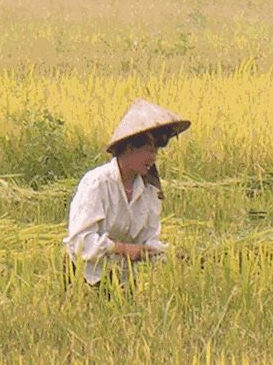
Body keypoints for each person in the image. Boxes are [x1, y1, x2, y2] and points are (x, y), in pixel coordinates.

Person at [64, 99, 190, 288]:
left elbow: (148, 239)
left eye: (155, 152)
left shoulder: (149, 189)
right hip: (86, 276)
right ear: (129, 149)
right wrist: (122, 248)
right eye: (149, 151)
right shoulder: (97, 183)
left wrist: (170, 256)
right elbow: (82, 241)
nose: (153, 158)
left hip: (121, 277)